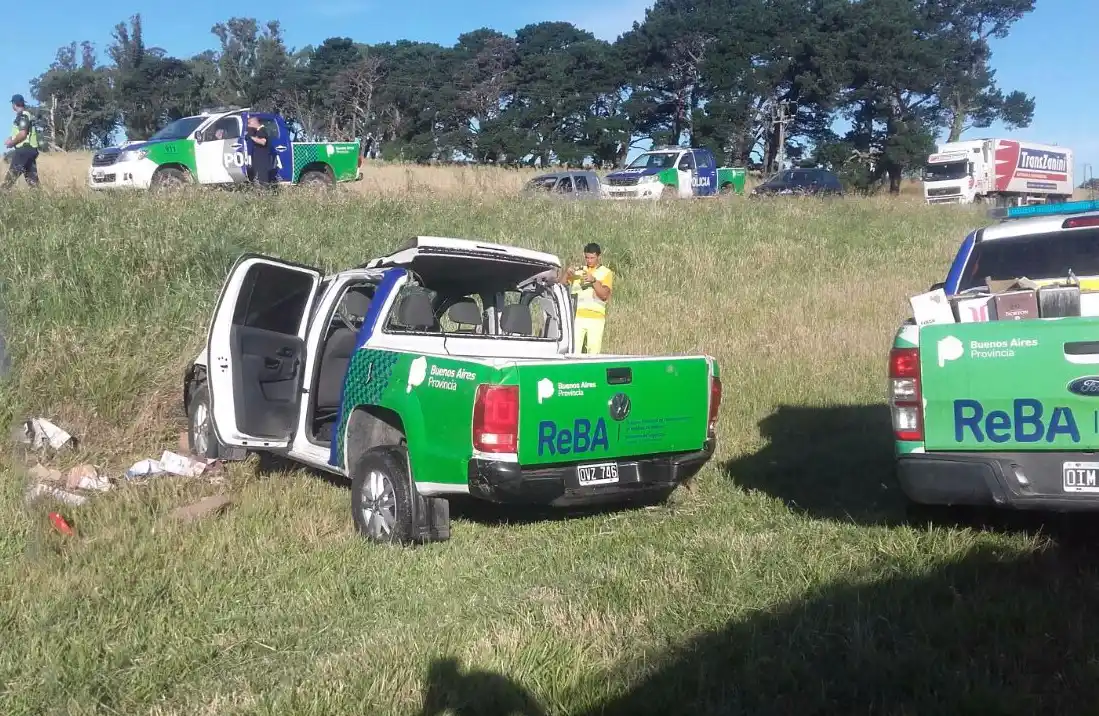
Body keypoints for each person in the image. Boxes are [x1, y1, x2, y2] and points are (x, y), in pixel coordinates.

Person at [559, 242, 614, 354]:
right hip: (577, 317)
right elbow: (560, 286)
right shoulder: (578, 271)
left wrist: (593, 281)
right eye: (587, 258)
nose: (589, 260)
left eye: (592, 258)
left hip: (596, 318)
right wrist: (566, 274)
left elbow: (604, 295)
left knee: (593, 351)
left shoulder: (605, 273)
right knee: (573, 350)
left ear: (599, 257)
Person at [3, 94, 39, 189]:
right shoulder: (26, 115)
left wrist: (12, 143)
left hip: (23, 151)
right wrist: (11, 137)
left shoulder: (23, 116)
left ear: (14, 104)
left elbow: (23, 134)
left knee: (8, 182)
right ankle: (41, 201)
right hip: (31, 151)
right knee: (33, 184)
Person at [245, 115, 275, 188]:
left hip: (262, 158)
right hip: (259, 158)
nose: (248, 125)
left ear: (254, 122)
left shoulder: (262, 130)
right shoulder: (258, 131)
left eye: (249, 123)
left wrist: (252, 137)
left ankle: (265, 193)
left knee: (263, 177)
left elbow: (263, 142)